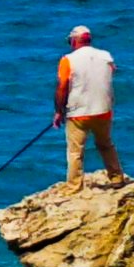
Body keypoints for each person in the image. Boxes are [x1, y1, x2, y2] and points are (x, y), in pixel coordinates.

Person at [53, 26, 122, 185]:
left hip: (79, 112)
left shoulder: (68, 60)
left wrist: (59, 111)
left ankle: (74, 186)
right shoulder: (106, 56)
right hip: (104, 109)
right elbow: (111, 71)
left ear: (75, 41)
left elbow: (62, 86)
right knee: (106, 145)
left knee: (75, 152)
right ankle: (117, 177)